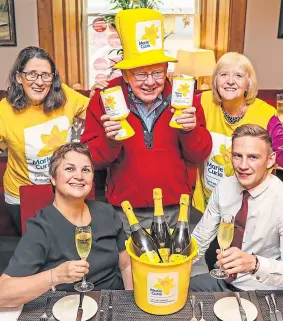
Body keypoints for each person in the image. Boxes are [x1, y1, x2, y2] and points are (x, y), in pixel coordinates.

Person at [81, 8, 212, 235]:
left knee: (175, 269)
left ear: (166, 71)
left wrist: (189, 131)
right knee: (130, 270)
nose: (150, 82)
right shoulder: (105, 99)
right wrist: (110, 140)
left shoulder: (185, 97)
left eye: (158, 73)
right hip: (124, 210)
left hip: (175, 209)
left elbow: (199, 155)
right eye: (141, 74)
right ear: (125, 75)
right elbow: (92, 159)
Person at [0, 143, 133, 307]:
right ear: (53, 178)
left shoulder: (106, 212)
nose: (79, 176)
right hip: (67, 308)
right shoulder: (41, 227)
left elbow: (126, 265)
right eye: (70, 169)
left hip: (113, 303)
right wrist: (55, 276)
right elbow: (3, 294)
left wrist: (129, 304)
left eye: (86, 170)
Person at [0, 46, 90, 235]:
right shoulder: (4, 111)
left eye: (46, 75)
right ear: (19, 77)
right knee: (36, 250)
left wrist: (101, 93)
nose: (39, 82)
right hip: (22, 196)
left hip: (64, 191)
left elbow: (98, 111)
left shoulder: (66, 96)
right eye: (31, 74)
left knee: (66, 245)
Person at [190, 124, 283, 291]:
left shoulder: (280, 199)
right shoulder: (224, 187)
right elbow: (199, 239)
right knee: (184, 291)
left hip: (263, 289)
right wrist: (172, 264)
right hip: (223, 280)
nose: (243, 165)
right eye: (237, 156)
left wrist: (255, 264)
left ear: (270, 160)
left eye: (253, 157)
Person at [193, 52, 283, 214]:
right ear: (215, 80)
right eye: (224, 74)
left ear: (248, 84)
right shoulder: (201, 102)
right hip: (205, 206)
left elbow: (281, 154)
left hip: (249, 210)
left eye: (239, 75)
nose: (230, 81)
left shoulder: (266, 114)